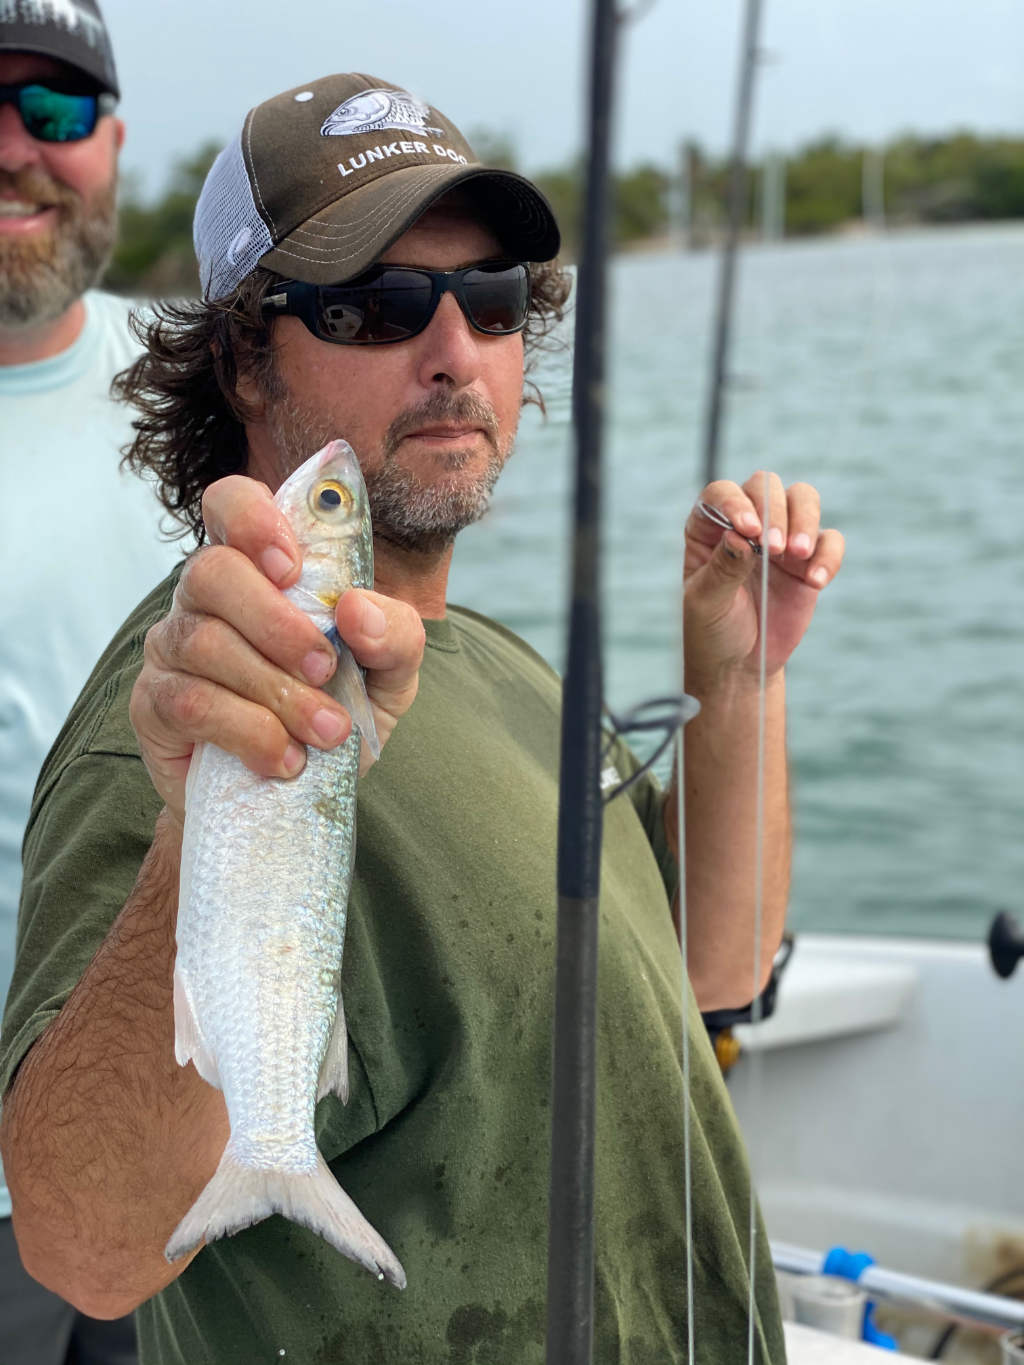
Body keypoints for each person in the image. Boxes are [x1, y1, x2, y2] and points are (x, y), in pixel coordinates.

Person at [0, 71, 845, 1363]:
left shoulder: (495, 663)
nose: (452, 348)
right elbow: (86, 1245)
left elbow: (711, 973)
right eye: (377, 304)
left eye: (491, 299)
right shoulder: (189, 721)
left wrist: (736, 676)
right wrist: (204, 817)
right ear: (240, 355)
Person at [0, 2, 185, 1361]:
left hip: (169, 1156)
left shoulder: (215, 397)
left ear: (113, 139)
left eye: (55, 112)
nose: (17, 147)